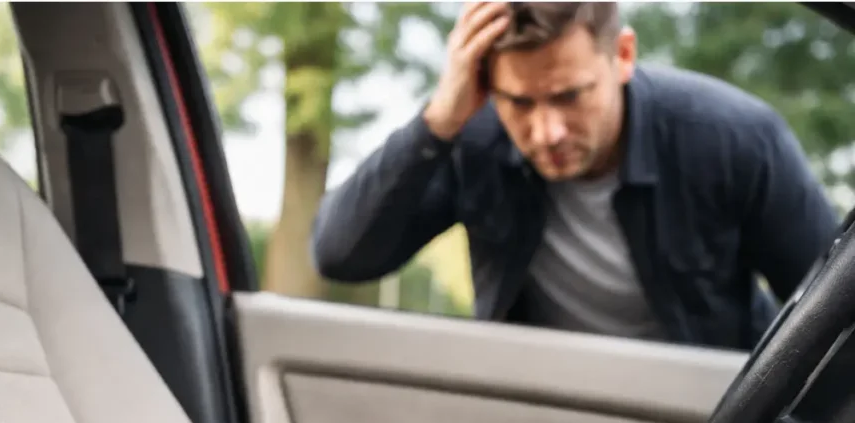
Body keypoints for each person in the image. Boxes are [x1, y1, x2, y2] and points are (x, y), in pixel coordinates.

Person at [309, 1, 840, 350]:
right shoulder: (472, 139)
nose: (547, 131)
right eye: (519, 102)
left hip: (702, 419)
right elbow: (342, 255)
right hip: (546, 413)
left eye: (569, 96)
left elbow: (834, 313)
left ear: (623, 56)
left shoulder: (735, 138)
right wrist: (437, 123)